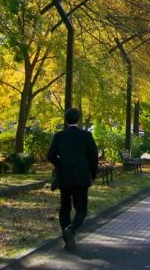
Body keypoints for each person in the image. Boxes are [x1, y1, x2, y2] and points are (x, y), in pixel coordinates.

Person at [48, 108, 99, 251]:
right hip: (81, 177)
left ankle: (66, 236)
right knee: (81, 209)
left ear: (65, 120)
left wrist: (60, 164)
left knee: (65, 207)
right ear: (79, 119)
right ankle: (71, 229)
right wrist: (93, 174)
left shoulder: (59, 136)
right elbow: (93, 157)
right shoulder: (86, 136)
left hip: (65, 177)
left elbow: (50, 155)